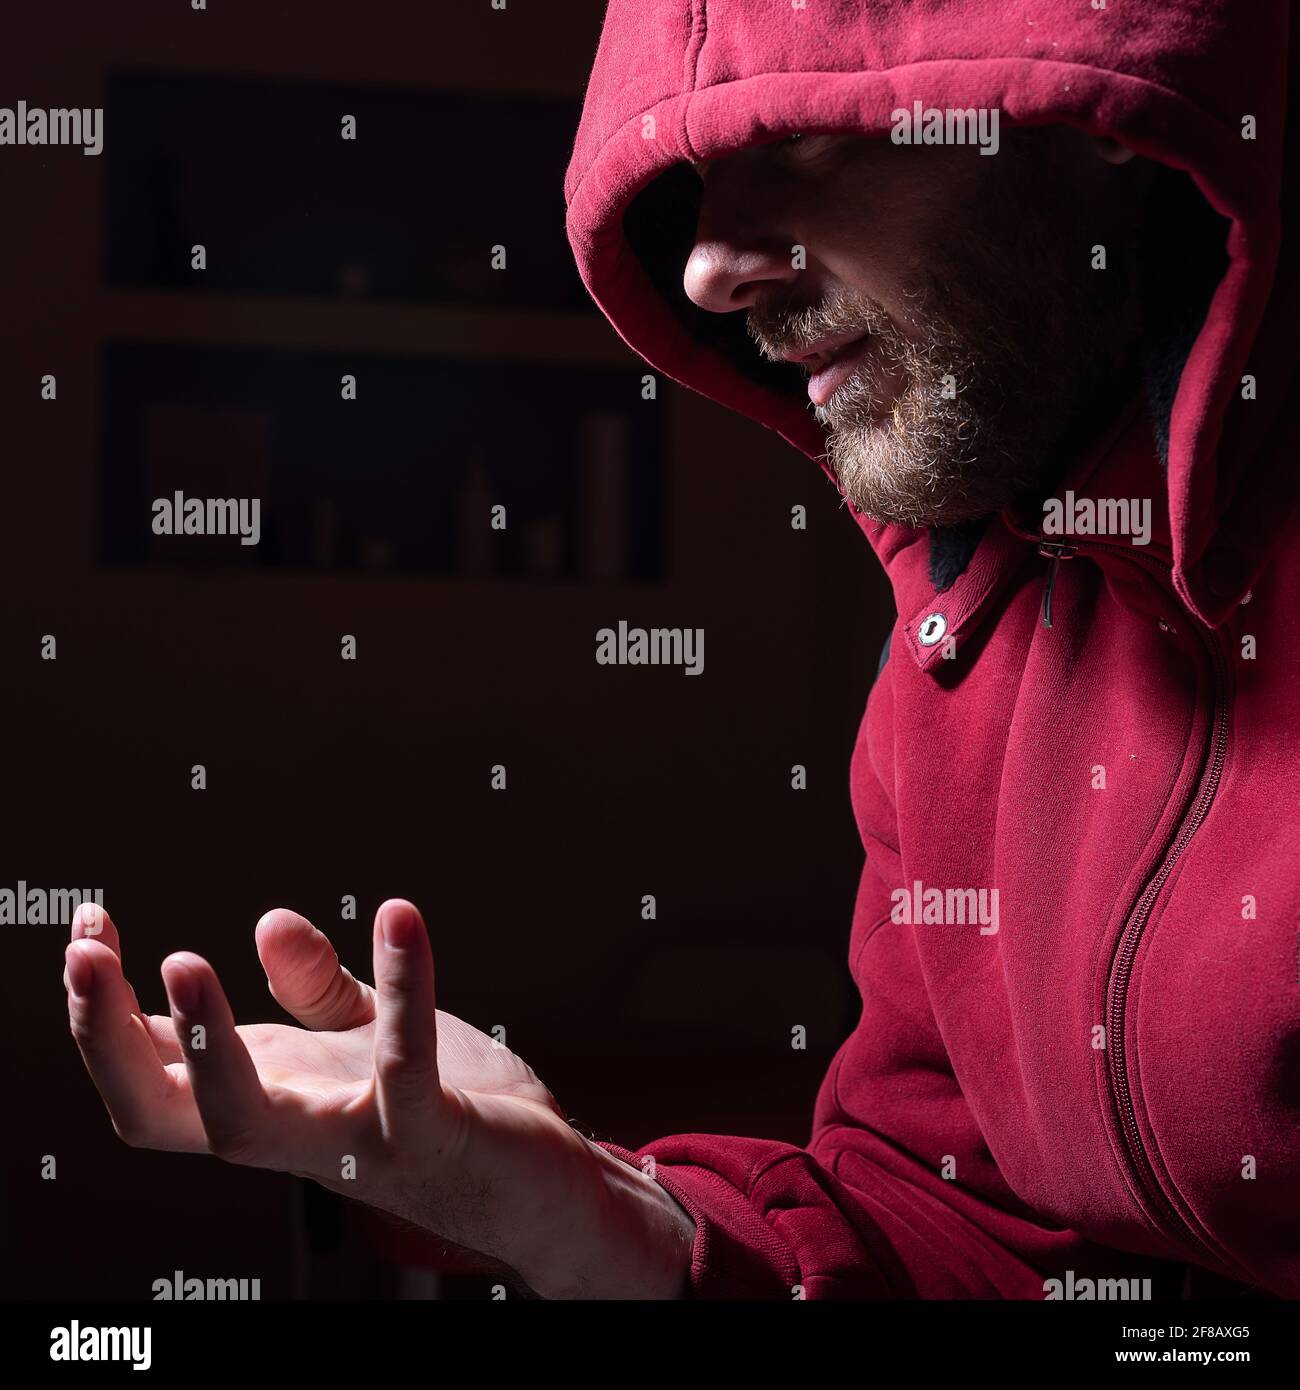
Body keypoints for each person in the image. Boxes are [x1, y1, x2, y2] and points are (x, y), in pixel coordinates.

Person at [65, 0, 1299, 1298]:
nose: (709, 268)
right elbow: (981, 1234)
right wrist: (608, 1214)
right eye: (701, 173)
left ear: (1101, 99)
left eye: (801, 140)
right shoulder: (947, 663)